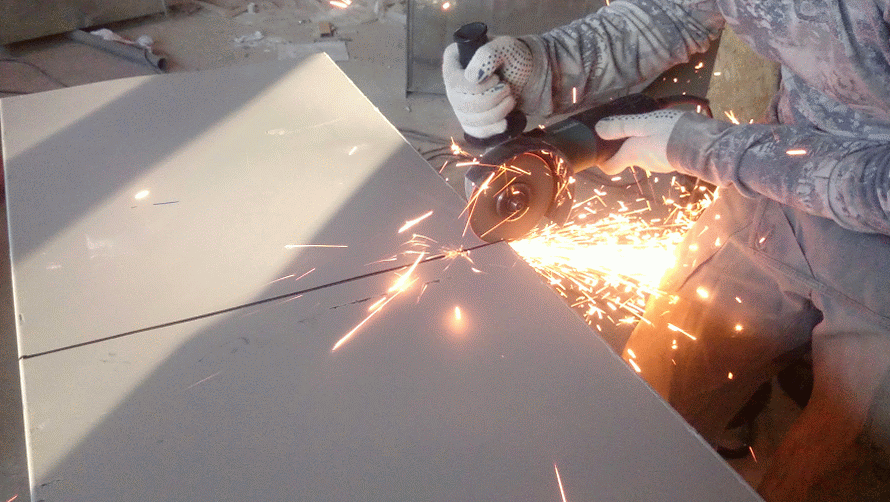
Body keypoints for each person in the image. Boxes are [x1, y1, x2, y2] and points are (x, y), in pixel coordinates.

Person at [442, 1, 890, 501]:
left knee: (830, 476)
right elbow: (674, 11)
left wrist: (715, 150)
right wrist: (543, 65)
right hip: (773, 182)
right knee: (646, 406)